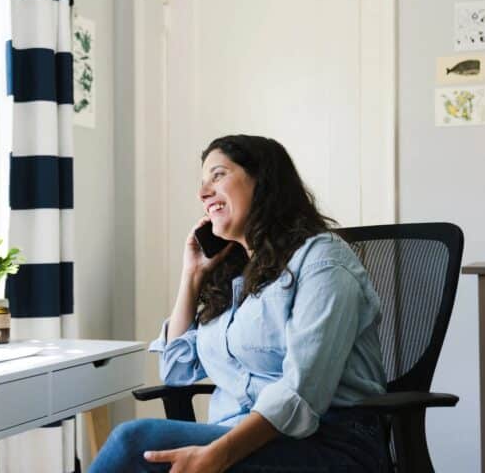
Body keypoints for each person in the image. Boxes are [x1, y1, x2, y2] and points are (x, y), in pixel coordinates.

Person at [89, 135, 388, 472]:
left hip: (330, 443)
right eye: (202, 184)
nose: (203, 193)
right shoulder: (238, 276)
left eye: (218, 176)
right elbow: (176, 370)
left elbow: (302, 391)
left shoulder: (323, 261)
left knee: (134, 443)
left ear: (263, 182)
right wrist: (191, 277)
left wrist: (220, 454)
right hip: (240, 438)